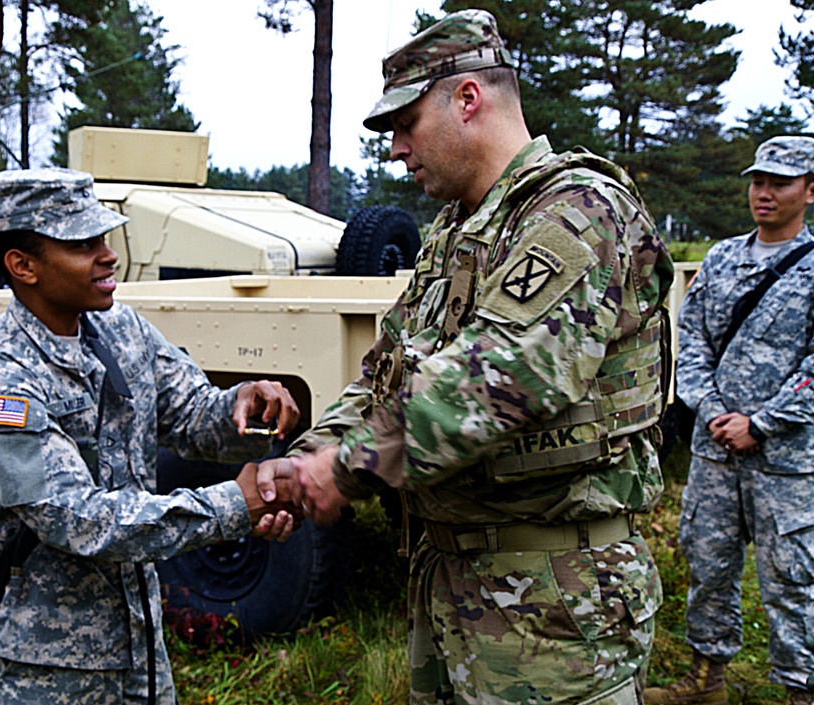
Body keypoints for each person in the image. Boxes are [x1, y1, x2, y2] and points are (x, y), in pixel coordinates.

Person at [257, 9, 674, 705]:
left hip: (554, 605)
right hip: (454, 590)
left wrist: (349, 466)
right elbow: (386, 373)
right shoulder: (457, 234)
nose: (395, 148)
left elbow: (503, 375)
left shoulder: (577, 211)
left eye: (404, 124)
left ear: (467, 100)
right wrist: (309, 457)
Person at [0, 167, 301, 705]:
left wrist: (247, 409)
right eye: (83, 244)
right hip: (38, 671)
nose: (108, 255)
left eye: (104, 237)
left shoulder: (121, 331)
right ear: (23, 266)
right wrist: (234, 505)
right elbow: (78, 519)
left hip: (139, 651)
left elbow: (192, 416)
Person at [644, 136, 814, 705]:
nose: (764, 193)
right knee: (708, 565)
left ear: (811, 191)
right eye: (757, 181)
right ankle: (706, 681)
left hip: (786, 458)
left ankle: (804, 692)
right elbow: (690, 339)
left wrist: (762, 422)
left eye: (780, 183)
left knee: (791, 580)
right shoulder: (723, 258)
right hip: (715, 449)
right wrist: (717, 411)